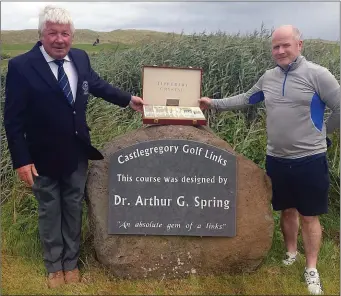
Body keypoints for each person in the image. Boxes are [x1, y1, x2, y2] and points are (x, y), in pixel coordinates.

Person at [4, 5, 144, 289]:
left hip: (77, 151)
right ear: (41, 34)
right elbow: (13, 120)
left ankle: (71, 262)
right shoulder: (21, 66)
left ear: (72, 35)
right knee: (49, 210)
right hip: (40, 156)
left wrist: (128, 100)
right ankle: (54, 266)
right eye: (52, 33)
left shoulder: (80, 58)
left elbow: (96, 84)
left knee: (72, 208)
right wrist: (21, 160)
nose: (59, 39)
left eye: (65, 34)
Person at [199, 25, 340, 295]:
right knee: (286, 209)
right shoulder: (269, 77)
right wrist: (213, 103)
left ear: (300, 44)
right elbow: (247, 98)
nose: (280, 50)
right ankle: (290, 253)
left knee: (309, 216)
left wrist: (323, 132)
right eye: (275, 46)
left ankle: (311, 268)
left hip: (309, 158)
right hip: (276, 157)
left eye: (286, 45)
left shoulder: (318, 75)